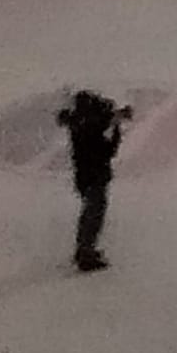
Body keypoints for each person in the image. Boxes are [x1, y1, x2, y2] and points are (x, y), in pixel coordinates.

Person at [57, 89, 129, 272]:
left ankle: (84, 248)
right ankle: (85, 252)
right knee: (94, 214)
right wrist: (116, 129)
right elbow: (108, 150)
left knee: (89, 212)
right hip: (95, 175)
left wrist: (114, 120)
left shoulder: (78, 123)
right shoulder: (90, 128)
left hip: (84, 175)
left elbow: (99, 121)